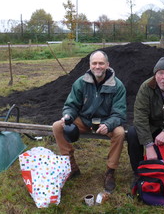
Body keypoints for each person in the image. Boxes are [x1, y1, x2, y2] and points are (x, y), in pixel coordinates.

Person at [52, 50, 126, 192]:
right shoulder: (81, 82)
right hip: (84, 121)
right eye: (94, 63)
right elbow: (71, 105)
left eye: (101, 63)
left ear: (107, 65)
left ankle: (110, 172)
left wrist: (109, 124)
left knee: (120, 133)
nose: (97, 66)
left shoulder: (118, 86)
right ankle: (71, 167)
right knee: (57, 126)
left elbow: (119, 113)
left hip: (106, 122)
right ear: (90, 65)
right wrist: (67, 116)